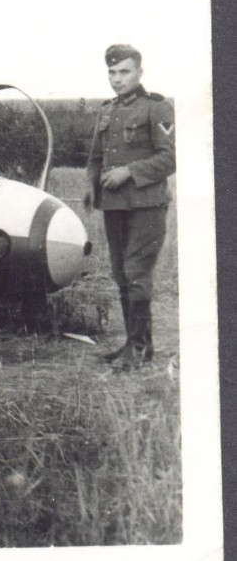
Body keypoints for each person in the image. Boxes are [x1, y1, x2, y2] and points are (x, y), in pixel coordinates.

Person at [84, 44, 175, 368]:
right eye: (112, 72)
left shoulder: (156, 108)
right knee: (122, 276)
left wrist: (129, 172)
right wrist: (90, 186)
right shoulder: (107, 111)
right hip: (115, 208)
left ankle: (138, 350)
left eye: (124, 72)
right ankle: (133, 346)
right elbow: (96, 157)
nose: (117, 79)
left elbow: (169, 157)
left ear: (139, 72)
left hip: (146, 207)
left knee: (137, 276)